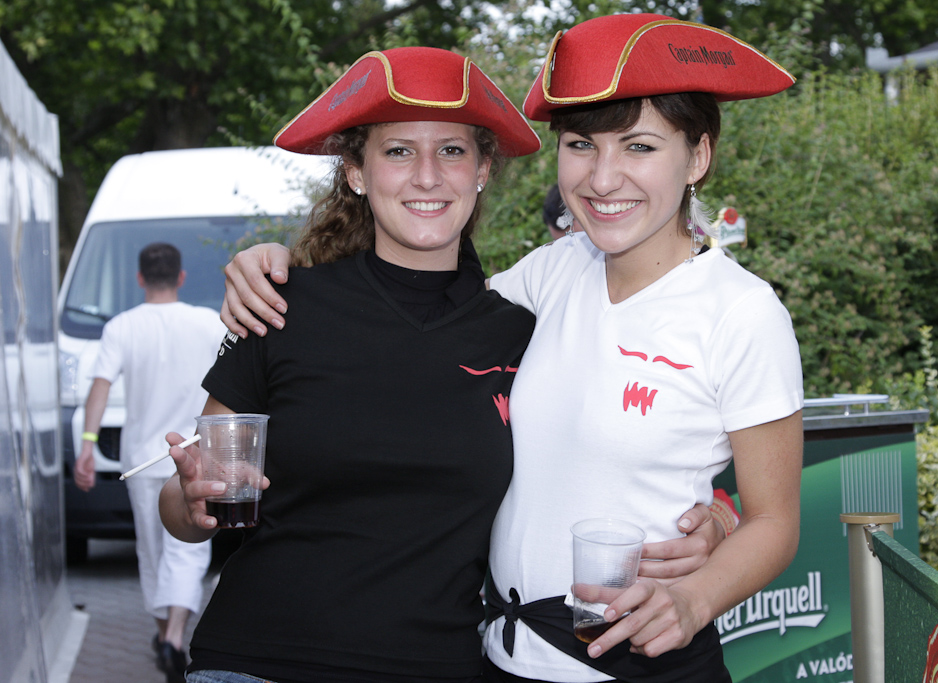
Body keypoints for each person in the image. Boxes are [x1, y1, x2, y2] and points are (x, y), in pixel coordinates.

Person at [219, 13, 804, 683]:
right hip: (500, 659)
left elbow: (775, 521)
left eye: (639, 147)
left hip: (640, 663)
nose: (604, 178)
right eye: (581, 145)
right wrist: (276, 264)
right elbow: (410, 312)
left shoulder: (742, 312)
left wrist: (697, 589)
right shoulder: (551, 275)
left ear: (697, 156)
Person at [158, 47, 544, 683]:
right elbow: (183, 506)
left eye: (451, 150)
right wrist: (192, 501)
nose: (427, 176)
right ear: (357, 172)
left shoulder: (520, 334)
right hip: (256, 663)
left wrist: (715, 521)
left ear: (482, 170)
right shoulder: (280, 307)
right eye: (399, 151)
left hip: (436, 668)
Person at [74, 242, 223, 683]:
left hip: (142, 459)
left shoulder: (121, 327)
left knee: (152, 552)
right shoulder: (206, 321)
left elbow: (100, 387)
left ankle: (164, 636)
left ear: (140, 278)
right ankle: (175, 636)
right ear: (181, 277)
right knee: (188, 550)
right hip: (195, 453)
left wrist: (87, 445)